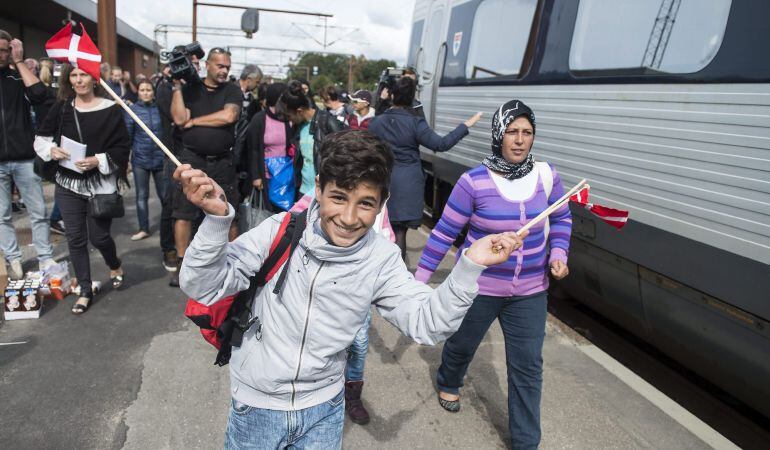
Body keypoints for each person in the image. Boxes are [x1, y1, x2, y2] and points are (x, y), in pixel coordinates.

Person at [177, 129, 526, 448]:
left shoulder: (382, 258)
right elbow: (202, 285)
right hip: (256, 406)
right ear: (318, 188)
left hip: (325, 411)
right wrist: (217, 220)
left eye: (365, 203)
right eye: (339, 197)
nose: (348, 217)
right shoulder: (279, 231)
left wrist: (469, 267)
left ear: (381, 203)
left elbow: (428, 323)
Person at [415, 100, 572, 449]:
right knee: (462, 344)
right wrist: (418, 284)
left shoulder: (547, 177)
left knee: (528, 368)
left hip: (530, 290)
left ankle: (525, 442)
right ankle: (449, 379)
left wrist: (558, 253)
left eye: (527, 133)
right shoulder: (474, 182)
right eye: (512, 132)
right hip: (479, 287)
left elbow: (561, 219)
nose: (519, 140)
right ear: (499, 134)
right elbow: (443, 233)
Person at [33, 63, 130, 314]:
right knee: (75, 238)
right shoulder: (63, 107)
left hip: (101, 185)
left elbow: (122, 148)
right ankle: (85, 290)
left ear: (94, 78)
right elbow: (41, 139)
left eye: (83, 74)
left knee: (99, 238)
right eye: (74, 75)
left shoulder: (111, 110)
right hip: (68, 183)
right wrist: (51, 150)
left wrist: (98, 160)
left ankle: (114, 264)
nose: (78, 80)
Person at [368, 76, 482, 260]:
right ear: (412, 98)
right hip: (407, 184)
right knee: (399, 233)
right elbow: (441, 144)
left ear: (392, 96)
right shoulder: (415, 124)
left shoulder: (376, 123)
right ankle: (396, 278)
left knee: (378, 228)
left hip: (382, 181)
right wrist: (465, 126)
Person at [170, 47, 241, 278]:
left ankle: (232, 260)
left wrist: (195, 122)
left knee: (227, 212)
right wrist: (177, 86)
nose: (224, 71)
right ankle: (182, 263)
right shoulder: (190, 88)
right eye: (220, 66)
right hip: (192, 160)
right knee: (184, 212)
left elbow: (228, 116)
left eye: (227, 67)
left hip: (222, 162)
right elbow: (180, 118)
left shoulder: (232, 89)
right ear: (207, 65)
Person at [0, 32, 55, 280]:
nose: (0, 55)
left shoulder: (16, 76)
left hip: (23, 157)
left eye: (4, 50)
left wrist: (20, 62)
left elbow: (41, 96)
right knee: (2, 216)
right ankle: (13, 259)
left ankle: (45, 257)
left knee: (38, 212)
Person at [280, 81, 347, 197]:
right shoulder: (299, 126)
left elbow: (343, 157)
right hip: (303, 191)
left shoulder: (328, 122)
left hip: (323, 192)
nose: (289, 120)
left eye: (289, 116)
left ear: (299, 111)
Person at [125, 80, 170, 246]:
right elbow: (128, 137)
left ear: (153, 92)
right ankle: (143, 228)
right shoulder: (132, 111)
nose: (145, 92)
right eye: (142, 90)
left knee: (165, 196)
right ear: (138, 92)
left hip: (160, 160)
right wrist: (126, 161)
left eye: (148, 90)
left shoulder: (160, 109)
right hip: (140, 160)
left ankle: (169, 226)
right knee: (141, 196)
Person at [244, 82, 293, 212]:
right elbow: (253, 149)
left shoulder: (290, 119)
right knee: (266, 213)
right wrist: (256, 176)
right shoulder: (260, 119)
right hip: (266, 177)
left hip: (285, 176)